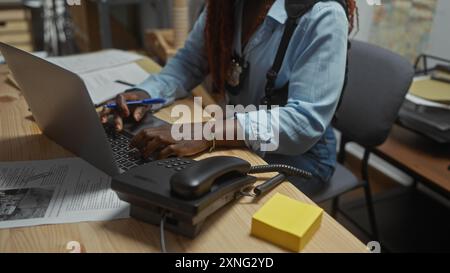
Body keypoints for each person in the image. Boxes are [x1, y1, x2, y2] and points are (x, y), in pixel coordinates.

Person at [99, 0, 357, 196]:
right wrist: (144, 95)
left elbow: (303, 123)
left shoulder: (323, 15)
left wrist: (206, 133)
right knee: (165, 177)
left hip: (301, 157)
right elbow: (188, 64)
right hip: (235, 137)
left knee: (208, 206)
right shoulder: (226, 5)